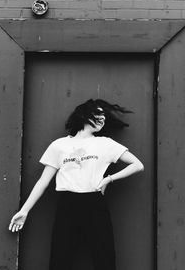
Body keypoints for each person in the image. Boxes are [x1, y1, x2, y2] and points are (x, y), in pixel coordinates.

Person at [9, 98, 144, 270]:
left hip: (95, 204)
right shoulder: (60, 145)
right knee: (60, 259)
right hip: (67, 205)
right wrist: (24, 210)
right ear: (84, 115)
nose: (102, 119)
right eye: (98, 114)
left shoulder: (105, 144)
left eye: (104, 117)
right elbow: (43, 181)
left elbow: (138, 165)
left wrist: (109, 179)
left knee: (105, 259)